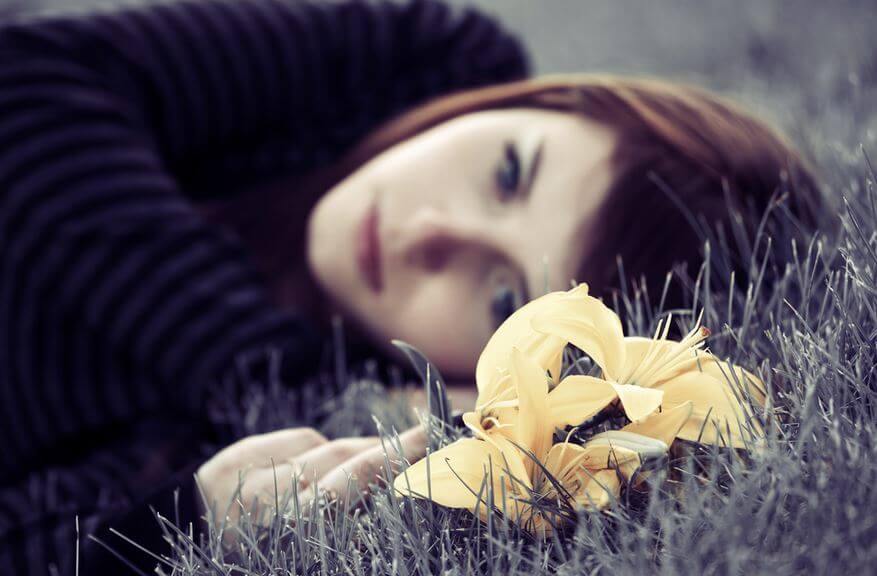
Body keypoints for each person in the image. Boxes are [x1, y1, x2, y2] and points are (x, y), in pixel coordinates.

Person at [0, 0, 821, 573]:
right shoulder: (422, 66)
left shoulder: (317, 440)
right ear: (544, 101)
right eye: (508, 172)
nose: (428, 233)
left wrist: (171, 525)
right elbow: (26, 82)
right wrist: (283, 372)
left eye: (502, 300)